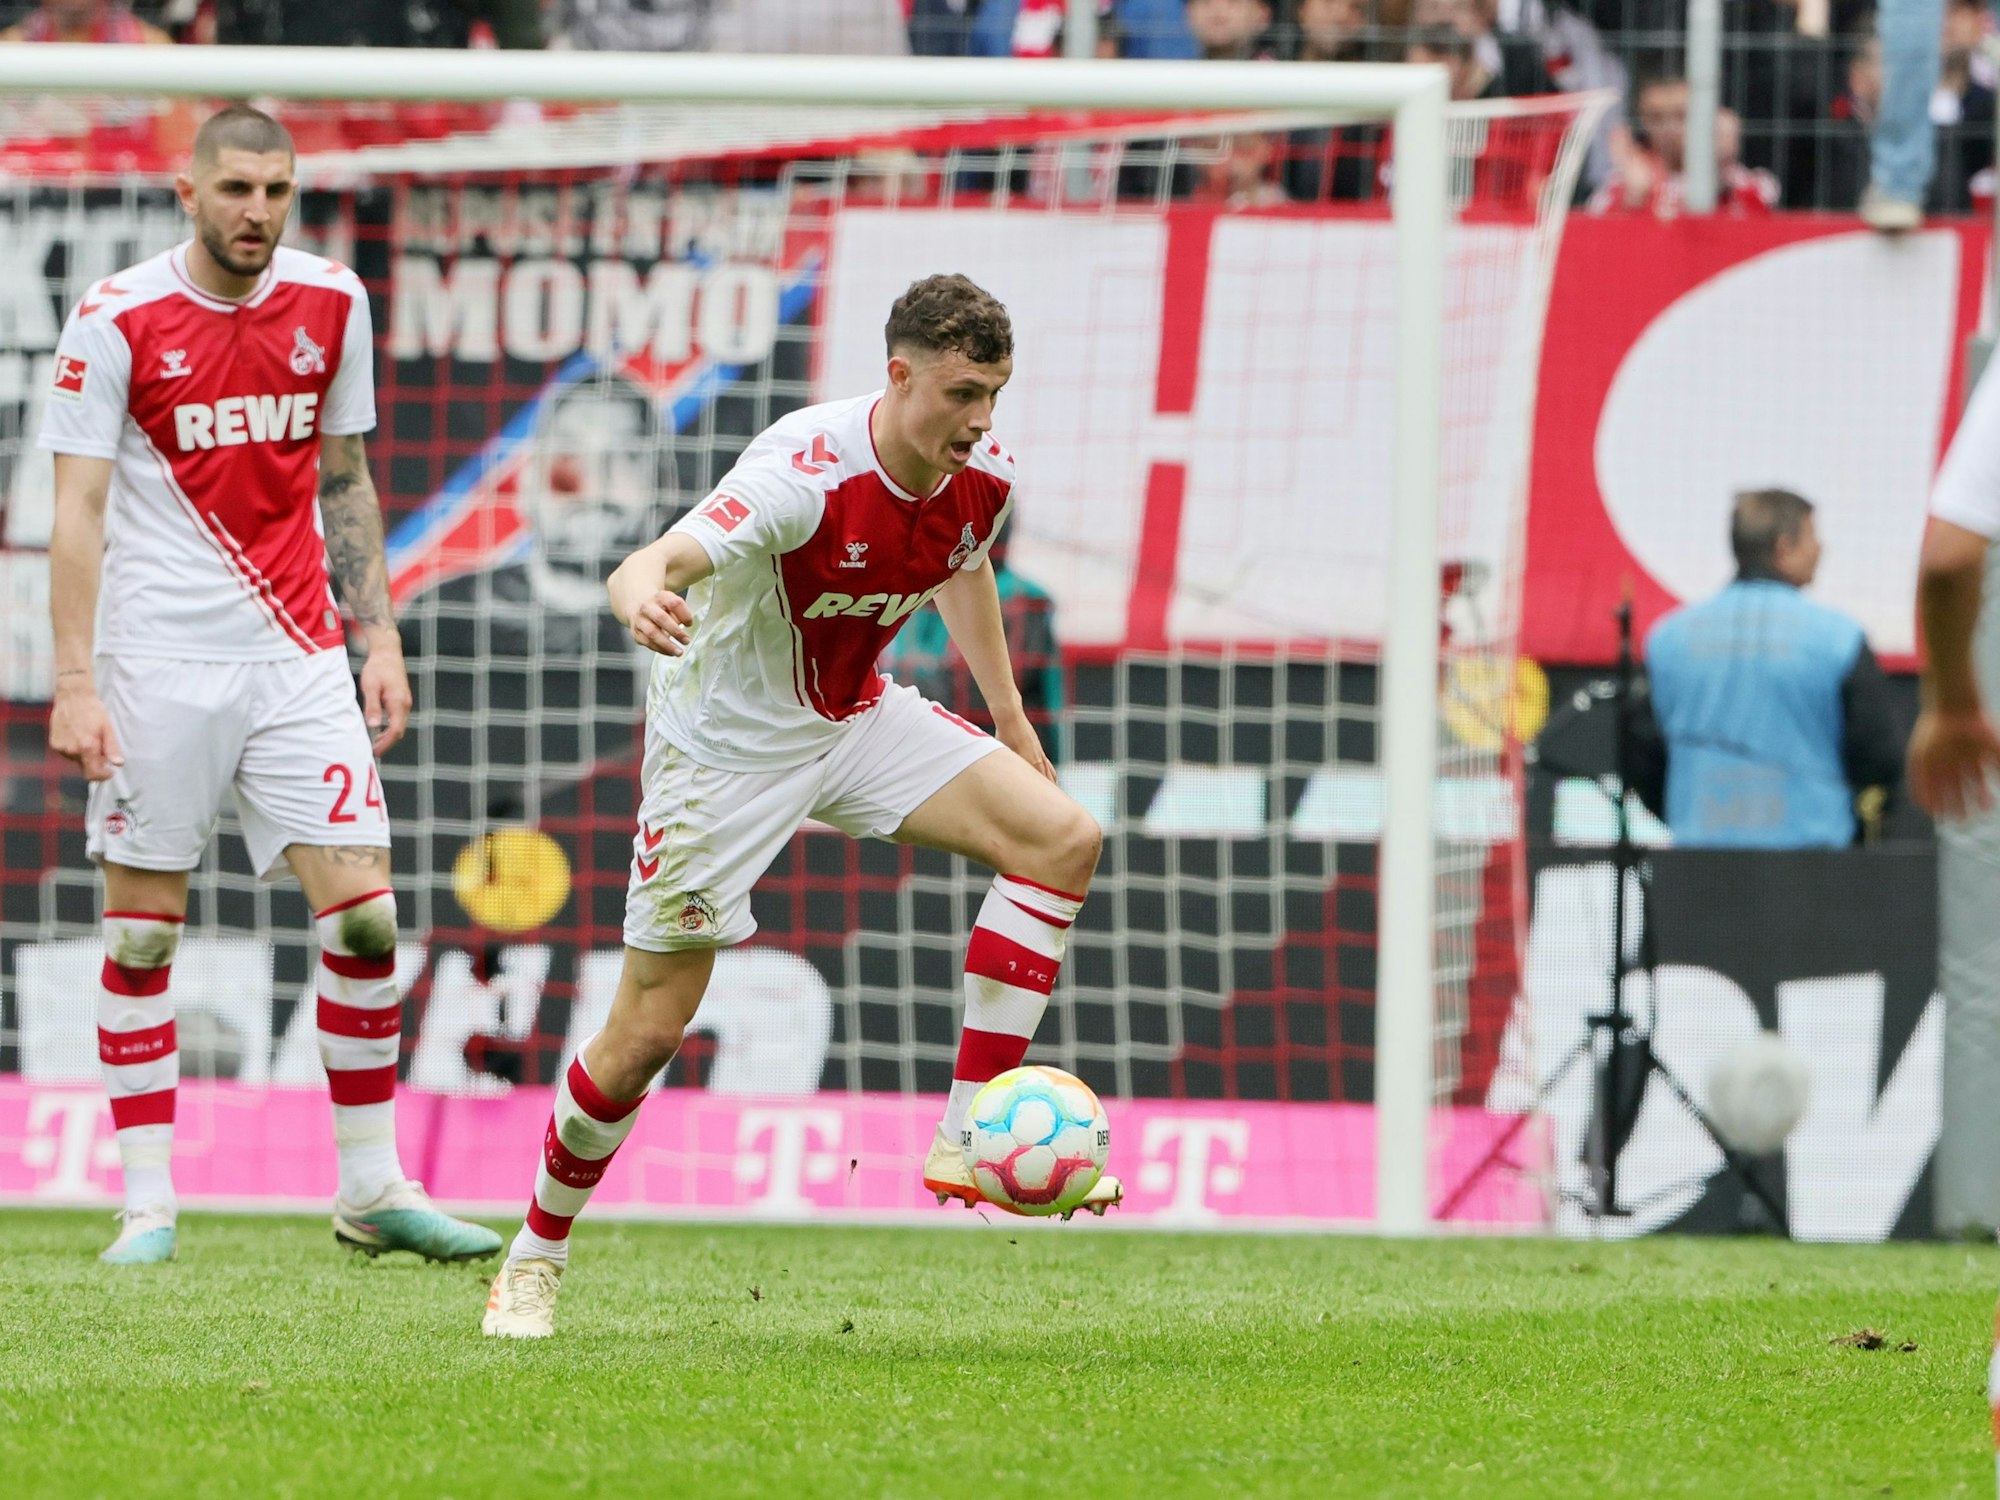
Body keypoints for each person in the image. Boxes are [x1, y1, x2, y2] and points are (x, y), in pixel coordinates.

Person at [480, 274, 1116, 1339]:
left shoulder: (981, 476)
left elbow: (961, 563)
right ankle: (533, 1259)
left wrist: (1008, 719)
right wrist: (637, 588)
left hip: (852, 720)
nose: (979, 418)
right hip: (721, 759)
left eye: (993, 394)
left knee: (1061, 838)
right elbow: (663, 555)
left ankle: (966, 1135)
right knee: (643, 1036)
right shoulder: (801, 475)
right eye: (961, 392)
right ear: (898, 375)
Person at [39, 104, 501, 1267]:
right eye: (236, 189)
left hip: (297, 657)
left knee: (369, 919)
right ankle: (147, 1206)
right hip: (157, 667)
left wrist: (378, 637)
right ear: (186, 194)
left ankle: (371, 1189)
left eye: (277, 191)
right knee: (143, 942)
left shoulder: (333, 301)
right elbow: (78, 511)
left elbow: (342, 478)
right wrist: (76, 680)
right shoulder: (116, 319)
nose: (257, 211)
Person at [1634, 490, 1902, 848]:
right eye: (1812, 537)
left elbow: (1642, 755)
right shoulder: (1838, 638)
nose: (1821, 549)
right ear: (1783, 548)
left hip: (1696, 866)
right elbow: (1879, 757)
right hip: (1814, 865)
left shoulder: (1668, 639)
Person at [1591, 76, 1781, 217]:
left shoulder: (1738, 180)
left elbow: (1760, 225)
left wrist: (1720, 170)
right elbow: (1598, 240)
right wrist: (1633, 197)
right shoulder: (1624, 182)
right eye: (1656, 117)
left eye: (1681, 116)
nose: (1669, 128)